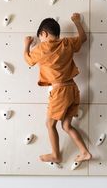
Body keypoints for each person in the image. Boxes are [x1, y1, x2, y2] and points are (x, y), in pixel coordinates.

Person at [23, 13, 92, 170]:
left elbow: (28, 60)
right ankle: (84, 151)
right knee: (66, 125)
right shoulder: (67, 43)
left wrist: (26, 44)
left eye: (40, 37)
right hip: (73, 89)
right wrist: (76, 22)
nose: (40, 40)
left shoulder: (42, 48)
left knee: (50, 123)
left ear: (44, 34)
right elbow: (83, 38)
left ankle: (56, 154)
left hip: (60, 91)